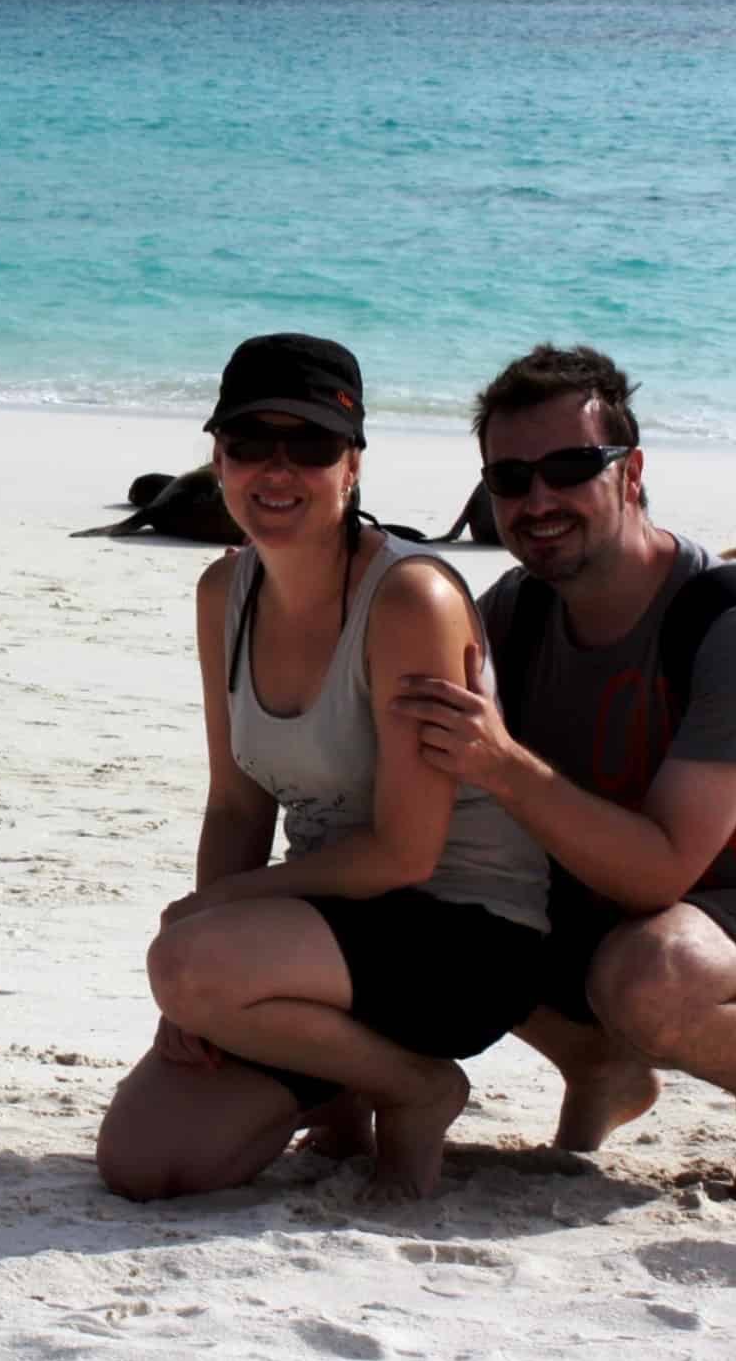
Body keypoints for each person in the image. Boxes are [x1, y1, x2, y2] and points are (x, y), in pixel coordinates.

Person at [391, 344, 736, 1204]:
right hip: (618, 909)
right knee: (423, 906)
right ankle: (598, 1068)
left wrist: (502, 763)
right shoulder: (514, 614)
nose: (537, 499)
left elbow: (666, 867)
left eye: (568, 467)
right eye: (510, 479)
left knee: (647, 979)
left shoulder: (733, 628)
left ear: (631, 475)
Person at [95, 334, 549, 1203]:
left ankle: (416, 1088)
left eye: (310, 445)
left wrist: (207, 930)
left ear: (353, 466)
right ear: (217, 458)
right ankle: (341, 1086)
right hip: (325, 931)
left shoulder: (412, 598)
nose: (278, 470)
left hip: (464, 936)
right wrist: (190, 996)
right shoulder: (223, 593)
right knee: (146, 1163)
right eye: (248, 445)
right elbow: (236, 804)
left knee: (189, 958)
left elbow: (406, 857)